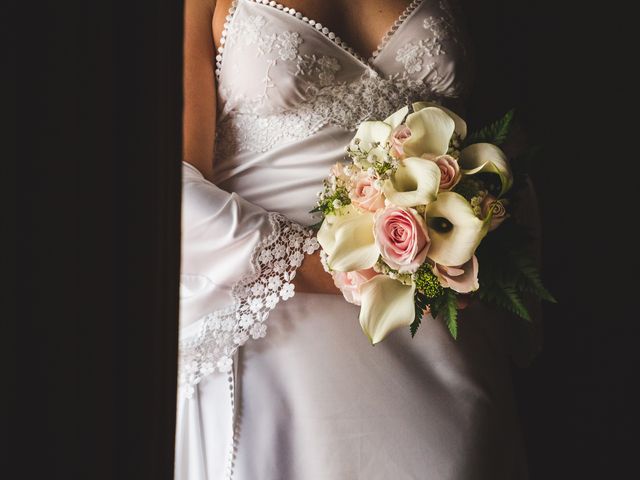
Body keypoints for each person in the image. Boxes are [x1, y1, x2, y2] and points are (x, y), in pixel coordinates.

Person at [176, 0, 541, 478]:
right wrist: (356, 267)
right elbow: (172, 190)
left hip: (440, 323)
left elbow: (497, 150)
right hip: (276, 328)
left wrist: (476, 225)